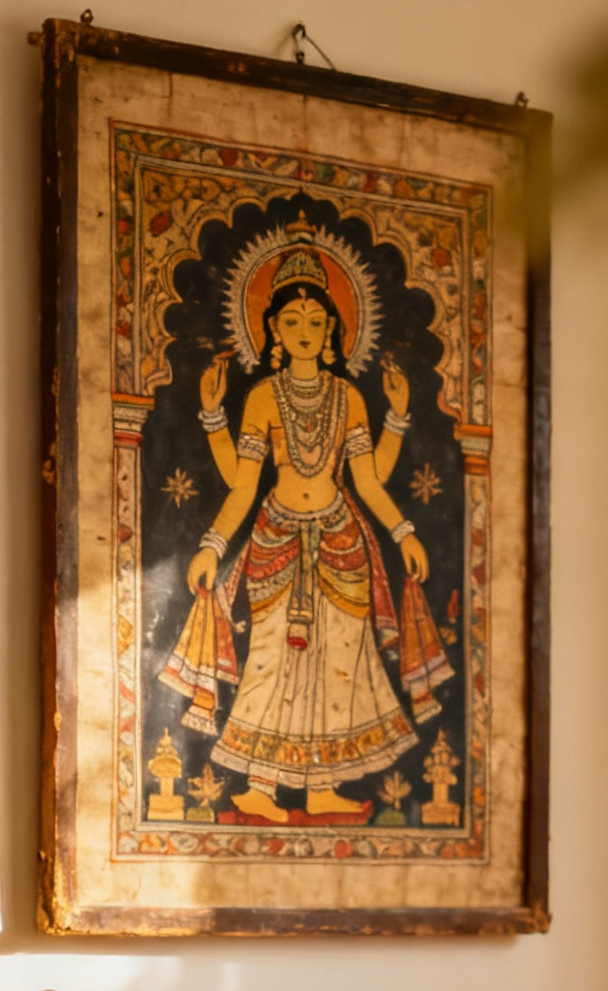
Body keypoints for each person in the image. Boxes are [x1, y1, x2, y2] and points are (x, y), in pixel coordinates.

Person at [160, 225, 450, 822]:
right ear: (271, 331)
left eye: (315, 322)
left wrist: (405, 530)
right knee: (271, 658)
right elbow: (244, 482)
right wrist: (212, 542)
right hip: (278, 538)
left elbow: (368, 480)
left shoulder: (350, 398)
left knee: (340, 663)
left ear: (333, 330)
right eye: (291, 323)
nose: (303, 332)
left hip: (342, 537)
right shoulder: (264, 397)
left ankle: (321, 787)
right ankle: (260, 788)